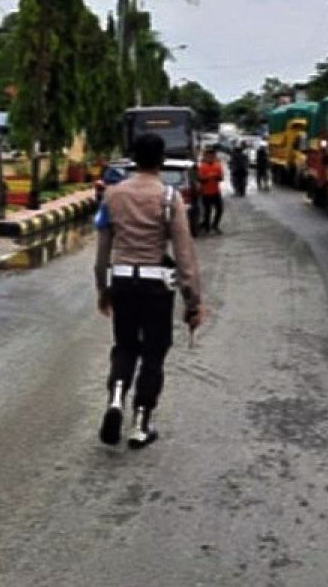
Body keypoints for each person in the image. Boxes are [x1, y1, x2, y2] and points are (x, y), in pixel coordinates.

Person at [94, 133, 202, 449]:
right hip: (156, 285)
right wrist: (192, 300)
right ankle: (141, 423)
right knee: (154, 352)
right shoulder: (169, 198)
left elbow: (103, 251)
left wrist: (103, 287)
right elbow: (184, 254)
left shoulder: (112, 196)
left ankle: (116, 398)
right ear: (161, 160)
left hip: (123, 281)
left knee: (125, 345)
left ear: (133, 159)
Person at [197, 147, 224, 234]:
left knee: (219, 210)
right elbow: (200, 179)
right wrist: (209, 176)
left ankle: (215, 225)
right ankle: (207, 227)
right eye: (209, 156)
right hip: (206, 193)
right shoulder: (202, 167)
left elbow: (220, 178)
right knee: (207, 211)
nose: (211, 157)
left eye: (212, 156)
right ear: (206, 156)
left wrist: (216, 176)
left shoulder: (218, 165)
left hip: (216, 192)